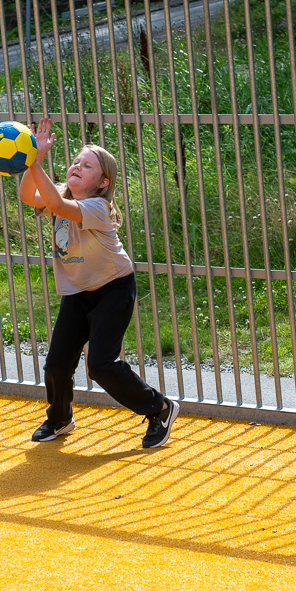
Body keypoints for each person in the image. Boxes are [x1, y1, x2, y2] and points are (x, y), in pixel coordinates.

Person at [17, 117, 179, 448]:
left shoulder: (97, 207)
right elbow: (29, 195)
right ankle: (59, 419)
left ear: (102, 182)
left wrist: (34, 160)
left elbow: (58, 205)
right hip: (78, 292)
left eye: (87, 166)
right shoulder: (60, 194)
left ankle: (161, 409)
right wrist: (36, 158)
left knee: (102, 365)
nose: (77, 165)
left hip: (113, 289)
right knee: (57, 363)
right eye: (75, 161)